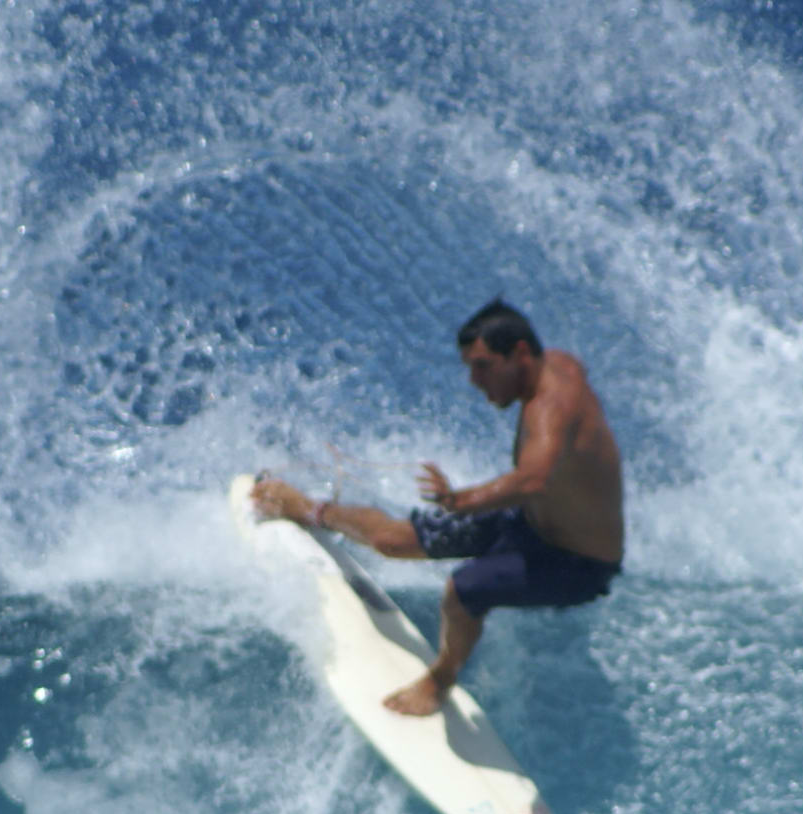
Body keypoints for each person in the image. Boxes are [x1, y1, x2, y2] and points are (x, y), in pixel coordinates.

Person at [250, 300, 624, 717]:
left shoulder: (552, 408)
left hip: (576, 561)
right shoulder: (555, 365)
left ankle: (440, 679)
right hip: (526, 519)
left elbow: (534, 479)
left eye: (483, 366)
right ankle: (310, 510)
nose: (475, 380)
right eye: (470, 367)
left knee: (462, 590)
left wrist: (459, 500)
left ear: (519, 354)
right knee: (392, 540)